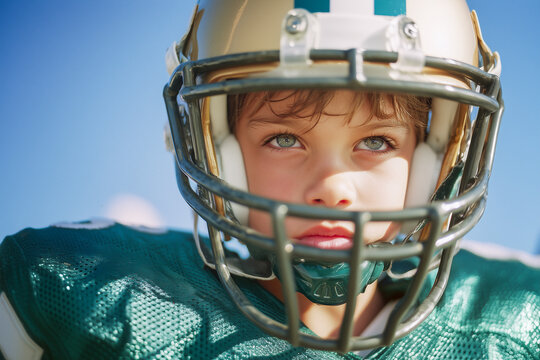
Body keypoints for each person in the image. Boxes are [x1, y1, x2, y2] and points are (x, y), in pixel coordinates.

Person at [1, 0, 539, 359]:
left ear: (438, 161)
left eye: (376, 142)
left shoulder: (515, 320)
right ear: (217, 149)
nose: (332, 186)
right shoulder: (87, 293)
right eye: (285, 139)